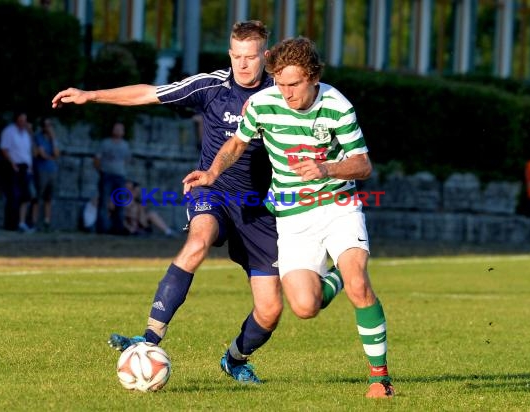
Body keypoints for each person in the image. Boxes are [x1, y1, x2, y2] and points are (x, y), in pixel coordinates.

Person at [52, 21, 343, 385]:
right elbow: (149, 93)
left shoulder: (280, 92)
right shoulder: (211, 86)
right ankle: (149, 338)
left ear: (265, 57)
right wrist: (90, 95)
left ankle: (236, 359)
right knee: (198, 240)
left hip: (259, 208)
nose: (242, 65)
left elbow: (318, 129)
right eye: (236, 56)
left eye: (250, 58)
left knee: (270, 309)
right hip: (213, 188)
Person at [183, 37, 394, 398]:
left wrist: (326, 168)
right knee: (305, 307)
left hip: (338, 207)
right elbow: (236, 143)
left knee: (359, 284)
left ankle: (380, 379)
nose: (285, 92)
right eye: (279, 83)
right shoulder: (263, 103)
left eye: (293, 84)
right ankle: (338, 276)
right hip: (294, 218)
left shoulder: (337, 105)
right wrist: (212, 173)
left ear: (313, 77)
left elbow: (363, 165)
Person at [0, 111, 35, 233]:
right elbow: (4, 149)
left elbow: (29, 151)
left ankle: (21, 222)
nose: (23, 123)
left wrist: (30, 166)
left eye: (24, 121)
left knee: (25, 196)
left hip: (25, 168)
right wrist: (12, 163)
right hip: (14, 166)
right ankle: (11, 223)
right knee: (13, 196)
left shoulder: (26, 134)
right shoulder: (9, 131)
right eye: (21, 120)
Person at [93, 121, 131, 235]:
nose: (119, 131)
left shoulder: (125, 145)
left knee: (120, 202)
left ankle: (118, 228)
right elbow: (96, 159)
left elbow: (127, 160)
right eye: (117, 128)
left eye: (121, 129)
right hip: (106, 176)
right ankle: (102, 228)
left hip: (120, 177)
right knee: (104, 202)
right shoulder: (105, 143)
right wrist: (101, 171)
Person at [32, 117, 60, 232]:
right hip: (41, 170)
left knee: (49, 198)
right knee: (38, 197)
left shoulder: (53, 139)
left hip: (52, 170)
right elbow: (41, 154)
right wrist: (51, 157)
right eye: (47, 125)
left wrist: (53, 139)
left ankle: (47, 222)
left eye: (50, 125)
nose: (49, 128)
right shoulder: (38, 138)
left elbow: (57, 154)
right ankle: (34, 222)